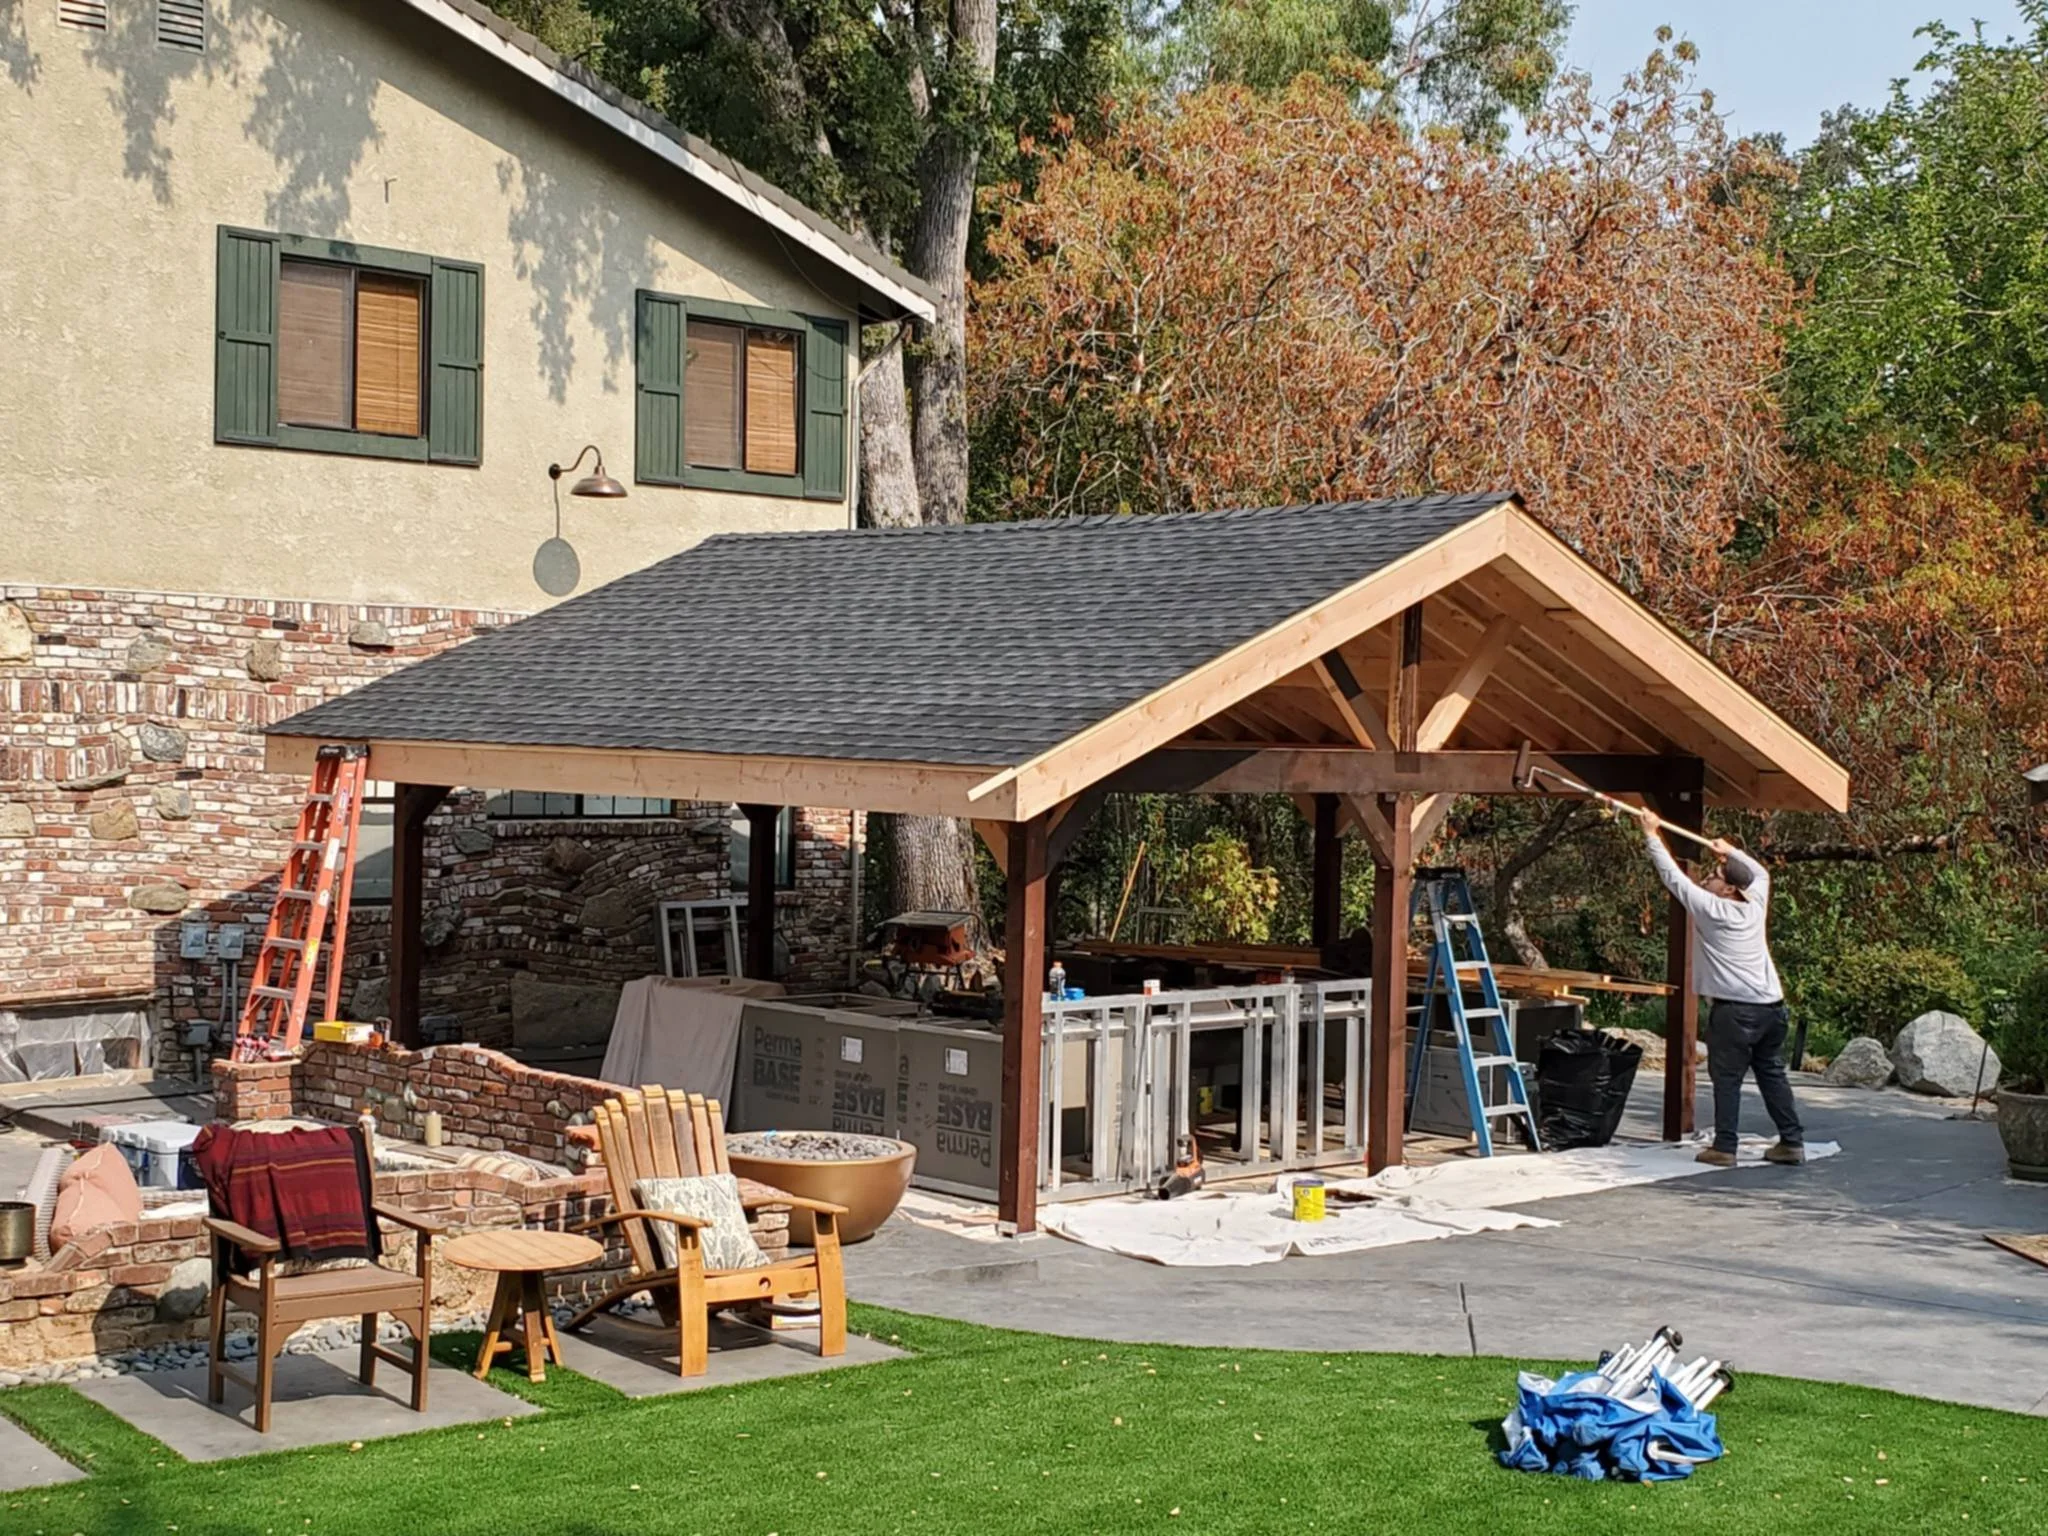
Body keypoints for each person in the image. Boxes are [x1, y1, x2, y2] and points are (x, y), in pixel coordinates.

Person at [1629, 805, 1804, 1166]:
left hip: (1736, 1011)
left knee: (1726, 1077)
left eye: (1714, 874)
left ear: (1727, 889)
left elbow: (1672, 878)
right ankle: (1792, 1141)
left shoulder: (1713, 909)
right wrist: (1730, 852)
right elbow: (1760, 873)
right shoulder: (1755, 904)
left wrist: (1650, 834)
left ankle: (1725, 1147)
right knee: (1771, 1073)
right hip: (1773, 1009)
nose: (1706, 878)